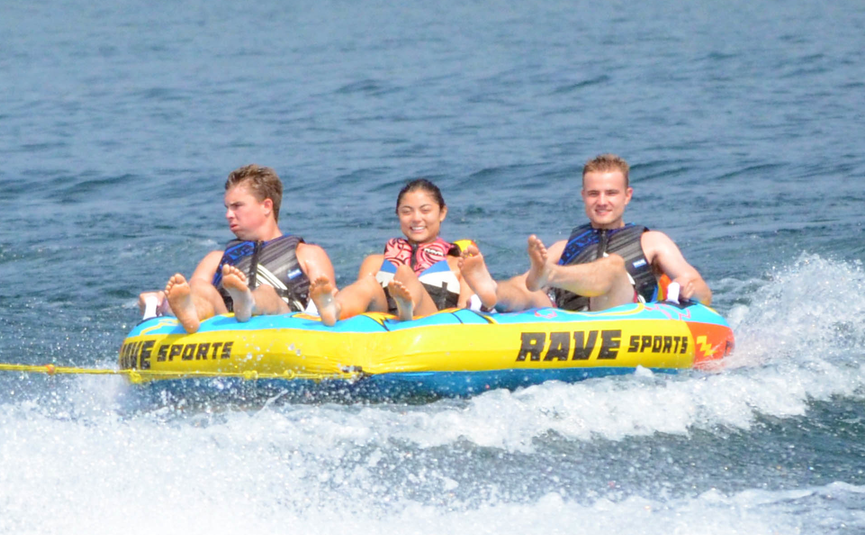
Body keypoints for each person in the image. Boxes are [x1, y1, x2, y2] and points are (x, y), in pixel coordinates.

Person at [497, 153, 712, 312]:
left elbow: (702, 290)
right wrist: (508, 289)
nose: (601, 201)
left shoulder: (653, 242)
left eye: (611, 193)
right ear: (583, 196)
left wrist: (689, 286)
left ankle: (551, 275)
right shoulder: (562, 248)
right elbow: (526, 284)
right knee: (525, 289)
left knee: (613, 266)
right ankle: (489, 292)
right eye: (593, 194)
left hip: (623, 318)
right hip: (569, 321)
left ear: (627, 196)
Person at [148, 164, 337, 334]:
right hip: (227, 330)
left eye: (237, 206)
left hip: (284, 326)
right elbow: (195, 292)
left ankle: (248, 302)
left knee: (266, 292)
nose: (228, 215)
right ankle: (192, 315)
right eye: (227, 207)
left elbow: (328, 301)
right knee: (199, 287)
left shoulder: (307, 254)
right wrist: (162, 303)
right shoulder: (215, 260)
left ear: (266, 206)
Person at [319, 178, 503, 321]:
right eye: (407, 212)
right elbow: (366, 302)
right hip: (384, 323)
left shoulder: (459, 265)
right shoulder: (375, 263)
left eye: (425, 211)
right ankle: (334, 308)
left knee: (406, 274)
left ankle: (408, 308)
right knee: (367, 283)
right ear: (398, 215)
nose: (416, 218)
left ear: (442, 213)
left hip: (433, 325)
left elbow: (465, 313)